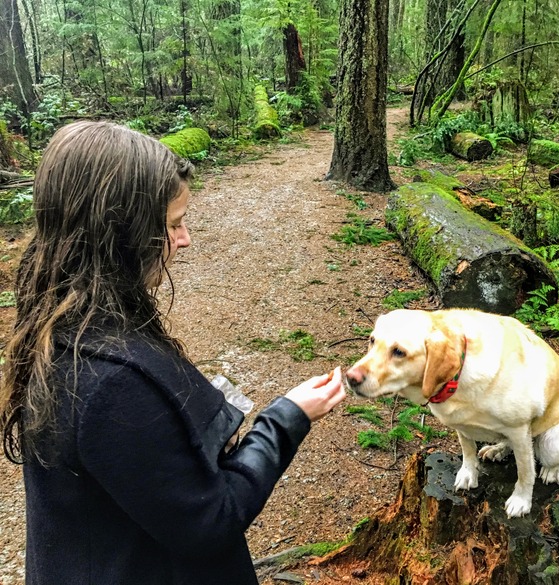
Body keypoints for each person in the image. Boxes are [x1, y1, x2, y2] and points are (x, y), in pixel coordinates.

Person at [0, 120, 346, 585]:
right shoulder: (109, 384)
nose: (184, 239)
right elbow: (211, 520)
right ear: (118, 233)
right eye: (173, 224)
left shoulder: (57, 322)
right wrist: (286, 418)